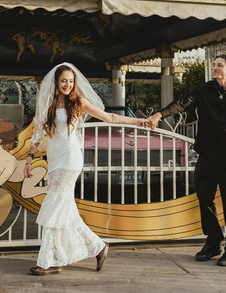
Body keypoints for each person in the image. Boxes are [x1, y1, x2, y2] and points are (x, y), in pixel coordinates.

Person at [25, 62, 150, 276]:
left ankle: (47, 261)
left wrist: (138, 122)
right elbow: (37, 134)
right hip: (54, 159)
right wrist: (29, 158)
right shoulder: (48, 103)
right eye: (63, 81)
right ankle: (95, 247)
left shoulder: (79, 102)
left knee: (53, 207)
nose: (67, 85)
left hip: (69, 159)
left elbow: (109, 117)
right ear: (56, 82)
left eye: (70, 81)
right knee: (63, 210)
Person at [147, 54, 226, 267]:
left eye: (219, 65)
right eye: (214, 65)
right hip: (207, 156)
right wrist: (160, 115)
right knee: (204, 198)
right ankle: (213, 241)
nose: (215, 68)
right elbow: (181, 104)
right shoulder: (203, 90)